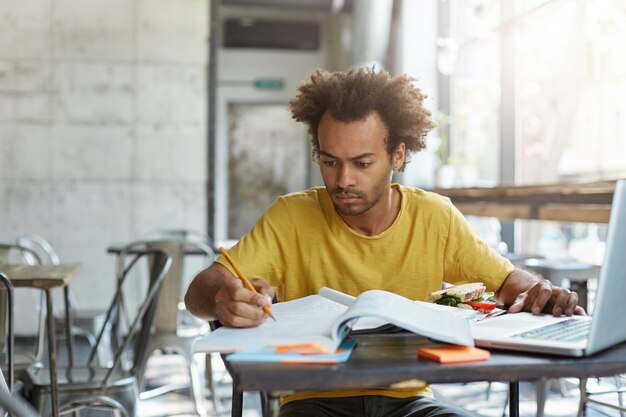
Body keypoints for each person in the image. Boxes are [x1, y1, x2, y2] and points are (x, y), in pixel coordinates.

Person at [185, 67, 584, 417]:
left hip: (411, 403)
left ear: (397, 155)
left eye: (361, 163)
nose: (342, 180)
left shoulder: (435, 217)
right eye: (329, 161)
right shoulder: (291, 216)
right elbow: (198, 292)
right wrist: (224, 297)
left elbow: (509, 282)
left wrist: (539, 293)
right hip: (311, 403)